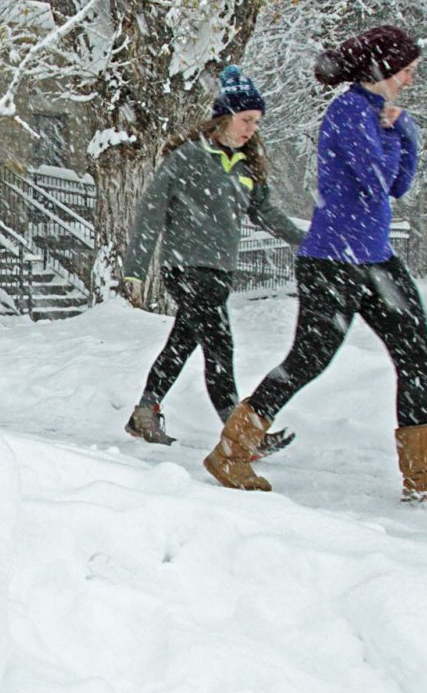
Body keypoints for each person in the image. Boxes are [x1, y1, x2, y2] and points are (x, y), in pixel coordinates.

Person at [203, 26, 427, 503]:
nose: (411, 80)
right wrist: (391, 134)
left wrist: (404, 131)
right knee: (308, 359)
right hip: (333, 260)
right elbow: (376, 181)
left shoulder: (378, 114)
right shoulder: (349, 111)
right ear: (383, 69)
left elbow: (399, 185)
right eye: (407, 71)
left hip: (375, 258)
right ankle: (230, 453)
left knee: (417, 355)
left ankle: (423, 478)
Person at [120, 65, 307, 449]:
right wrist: (135, 267)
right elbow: (151, 210)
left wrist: (306, 241)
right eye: (246, 119)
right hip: (185, 267)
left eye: (257, 122)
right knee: (220, 345)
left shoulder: (246, 168)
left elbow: (266, 213)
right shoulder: (188, 158)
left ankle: (144, 413)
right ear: (225, 117)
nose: (252, 128)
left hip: (220, 271)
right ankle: (240, 433)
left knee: (182, 343)